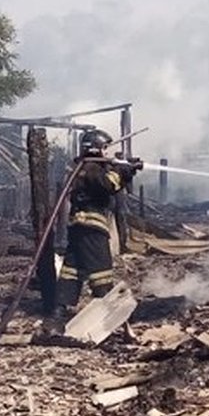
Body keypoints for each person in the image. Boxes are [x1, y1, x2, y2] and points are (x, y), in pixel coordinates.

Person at [54, 129, 142, 320]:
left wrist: (127, 170)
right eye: (105, 148)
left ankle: (58, 310)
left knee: (72, 269)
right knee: (101, 270)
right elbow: (107, 186)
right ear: (95, 149)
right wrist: (123, 171)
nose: (107, 153)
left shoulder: (81, 166)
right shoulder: (92, 167)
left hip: (78, 227)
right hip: (92, 228)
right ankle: (106, 313)